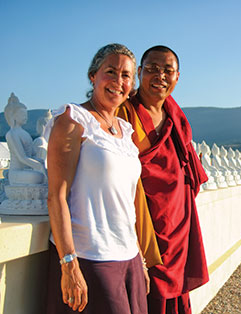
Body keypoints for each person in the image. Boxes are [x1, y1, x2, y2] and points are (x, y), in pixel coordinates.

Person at [45, 43, 148, 314]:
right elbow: (56, 195)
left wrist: (140, 261)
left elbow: (124, 203)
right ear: (93, 75)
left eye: (126, 75)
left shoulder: (125, 132)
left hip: (129, 258)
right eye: (110, 72)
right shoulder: (74, 120)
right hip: (90, 258)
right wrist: (69, 264)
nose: (118, 81)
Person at [117, 45, 209, 314]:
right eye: (152, 69)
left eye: (168, 71)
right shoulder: (124, 113)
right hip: (142, 219)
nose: (160, 76)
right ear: (140, 73)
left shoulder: (175, 117)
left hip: (177, 220)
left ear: (177, 77)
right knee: (144, 295)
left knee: (174, 296)